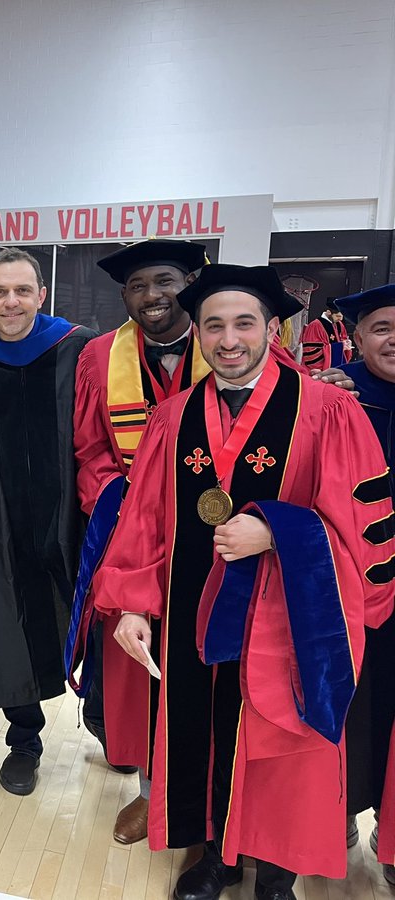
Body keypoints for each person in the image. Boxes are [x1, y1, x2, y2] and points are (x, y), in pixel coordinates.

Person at [93, 264, 395, 900]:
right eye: (214, 326)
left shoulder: (327, 410)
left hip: (287, 621)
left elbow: (360, 527)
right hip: (191, 623)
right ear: (198, 333)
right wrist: (131, 603)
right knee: (202, 733)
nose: (229, 340)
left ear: (271, 328)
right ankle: (219, 858)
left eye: (244, 324)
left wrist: (278, 531)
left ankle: (277, 871)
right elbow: (143, 520)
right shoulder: (174, 419)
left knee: (282, 741)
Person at [68, 239, 210, 843]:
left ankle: (211, 787)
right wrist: (120, 498)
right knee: (138, 663)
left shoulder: (230, 345)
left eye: (166, 281)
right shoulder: (101, 357)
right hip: (131, 534)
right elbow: (90, 448)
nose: (152, 296)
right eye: (137, 286)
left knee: (207, 659)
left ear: (191, 282)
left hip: (212, 534)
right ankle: (152, 789)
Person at [0, 247, 95, 798]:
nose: (12, 302)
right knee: (9, 618)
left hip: (72, 508)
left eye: (22, 290)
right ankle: (24, 738)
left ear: (42, 295)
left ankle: (104, 719)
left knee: (92, 608)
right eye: (0, 292)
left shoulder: (79, 347)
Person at [335, 285, 395, 883]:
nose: (394, 337)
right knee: (350, 702)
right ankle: (338, 812)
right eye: (380, 327)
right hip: (350, 587)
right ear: (355, 336)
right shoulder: (333, 396)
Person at [301, 296, 353, 370]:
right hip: (318, 372)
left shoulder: (339, 324)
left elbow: (343, 340)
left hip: (336, 370)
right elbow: (310, 353)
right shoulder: (315, 325)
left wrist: (347, 345)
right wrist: (339, 347)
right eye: (338, 316)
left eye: (342, 316)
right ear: (329, 312)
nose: (340, 319)